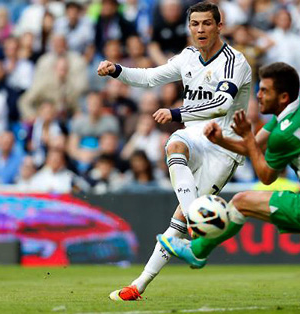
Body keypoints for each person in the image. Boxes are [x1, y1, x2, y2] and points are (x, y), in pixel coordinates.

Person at [158, 62, 300, 309]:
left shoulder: (285, 134)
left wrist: (246, 138)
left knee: (240, 202)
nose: (258, 95)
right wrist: (222, 140)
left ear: (283, 97)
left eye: (265, 91)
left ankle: (198, 251)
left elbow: (266, 176)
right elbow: (255, 146)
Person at [97, 1, 252, 300]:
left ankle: (139, 284)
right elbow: (150, 77)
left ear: (220, 26)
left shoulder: (235, 61)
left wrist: (176, 112)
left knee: (178, 221)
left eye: (207, 23)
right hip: (194, 134)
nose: (200, 29)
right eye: (195, 24)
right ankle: (197, 221)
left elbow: (221, 104)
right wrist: (118, 70)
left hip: (223, 144)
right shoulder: (188, 56)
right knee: (174, 144)